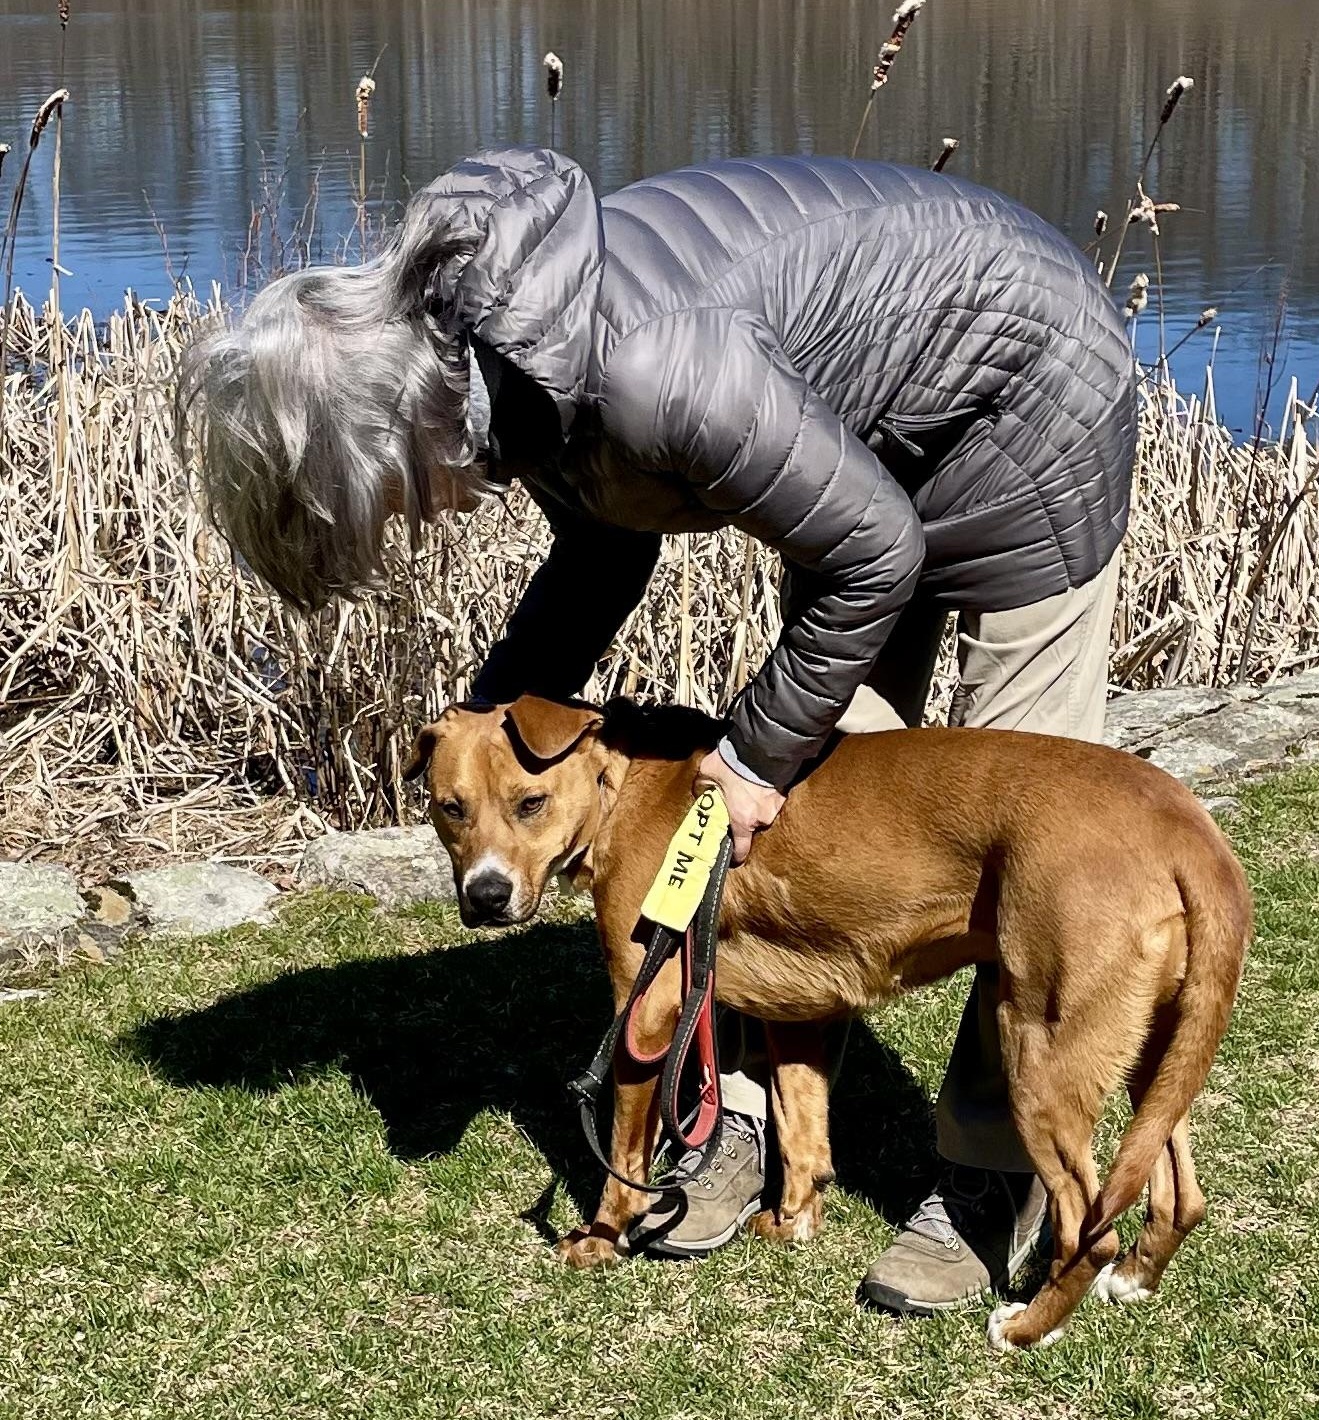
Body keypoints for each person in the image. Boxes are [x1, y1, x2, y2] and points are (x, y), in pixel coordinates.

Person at [179, 147, 1136, 1314]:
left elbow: (874, 554)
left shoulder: (645, 368)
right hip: (862, 453)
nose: (408, 522)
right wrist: (492, 728)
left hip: (1030, 401)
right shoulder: (507, 376)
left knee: (1022, 848)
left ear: (399, 427)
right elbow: (604, 545)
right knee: (824, 836)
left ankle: (990, 1175)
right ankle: (742, 1111)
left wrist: (749, 756)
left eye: (386, 498)